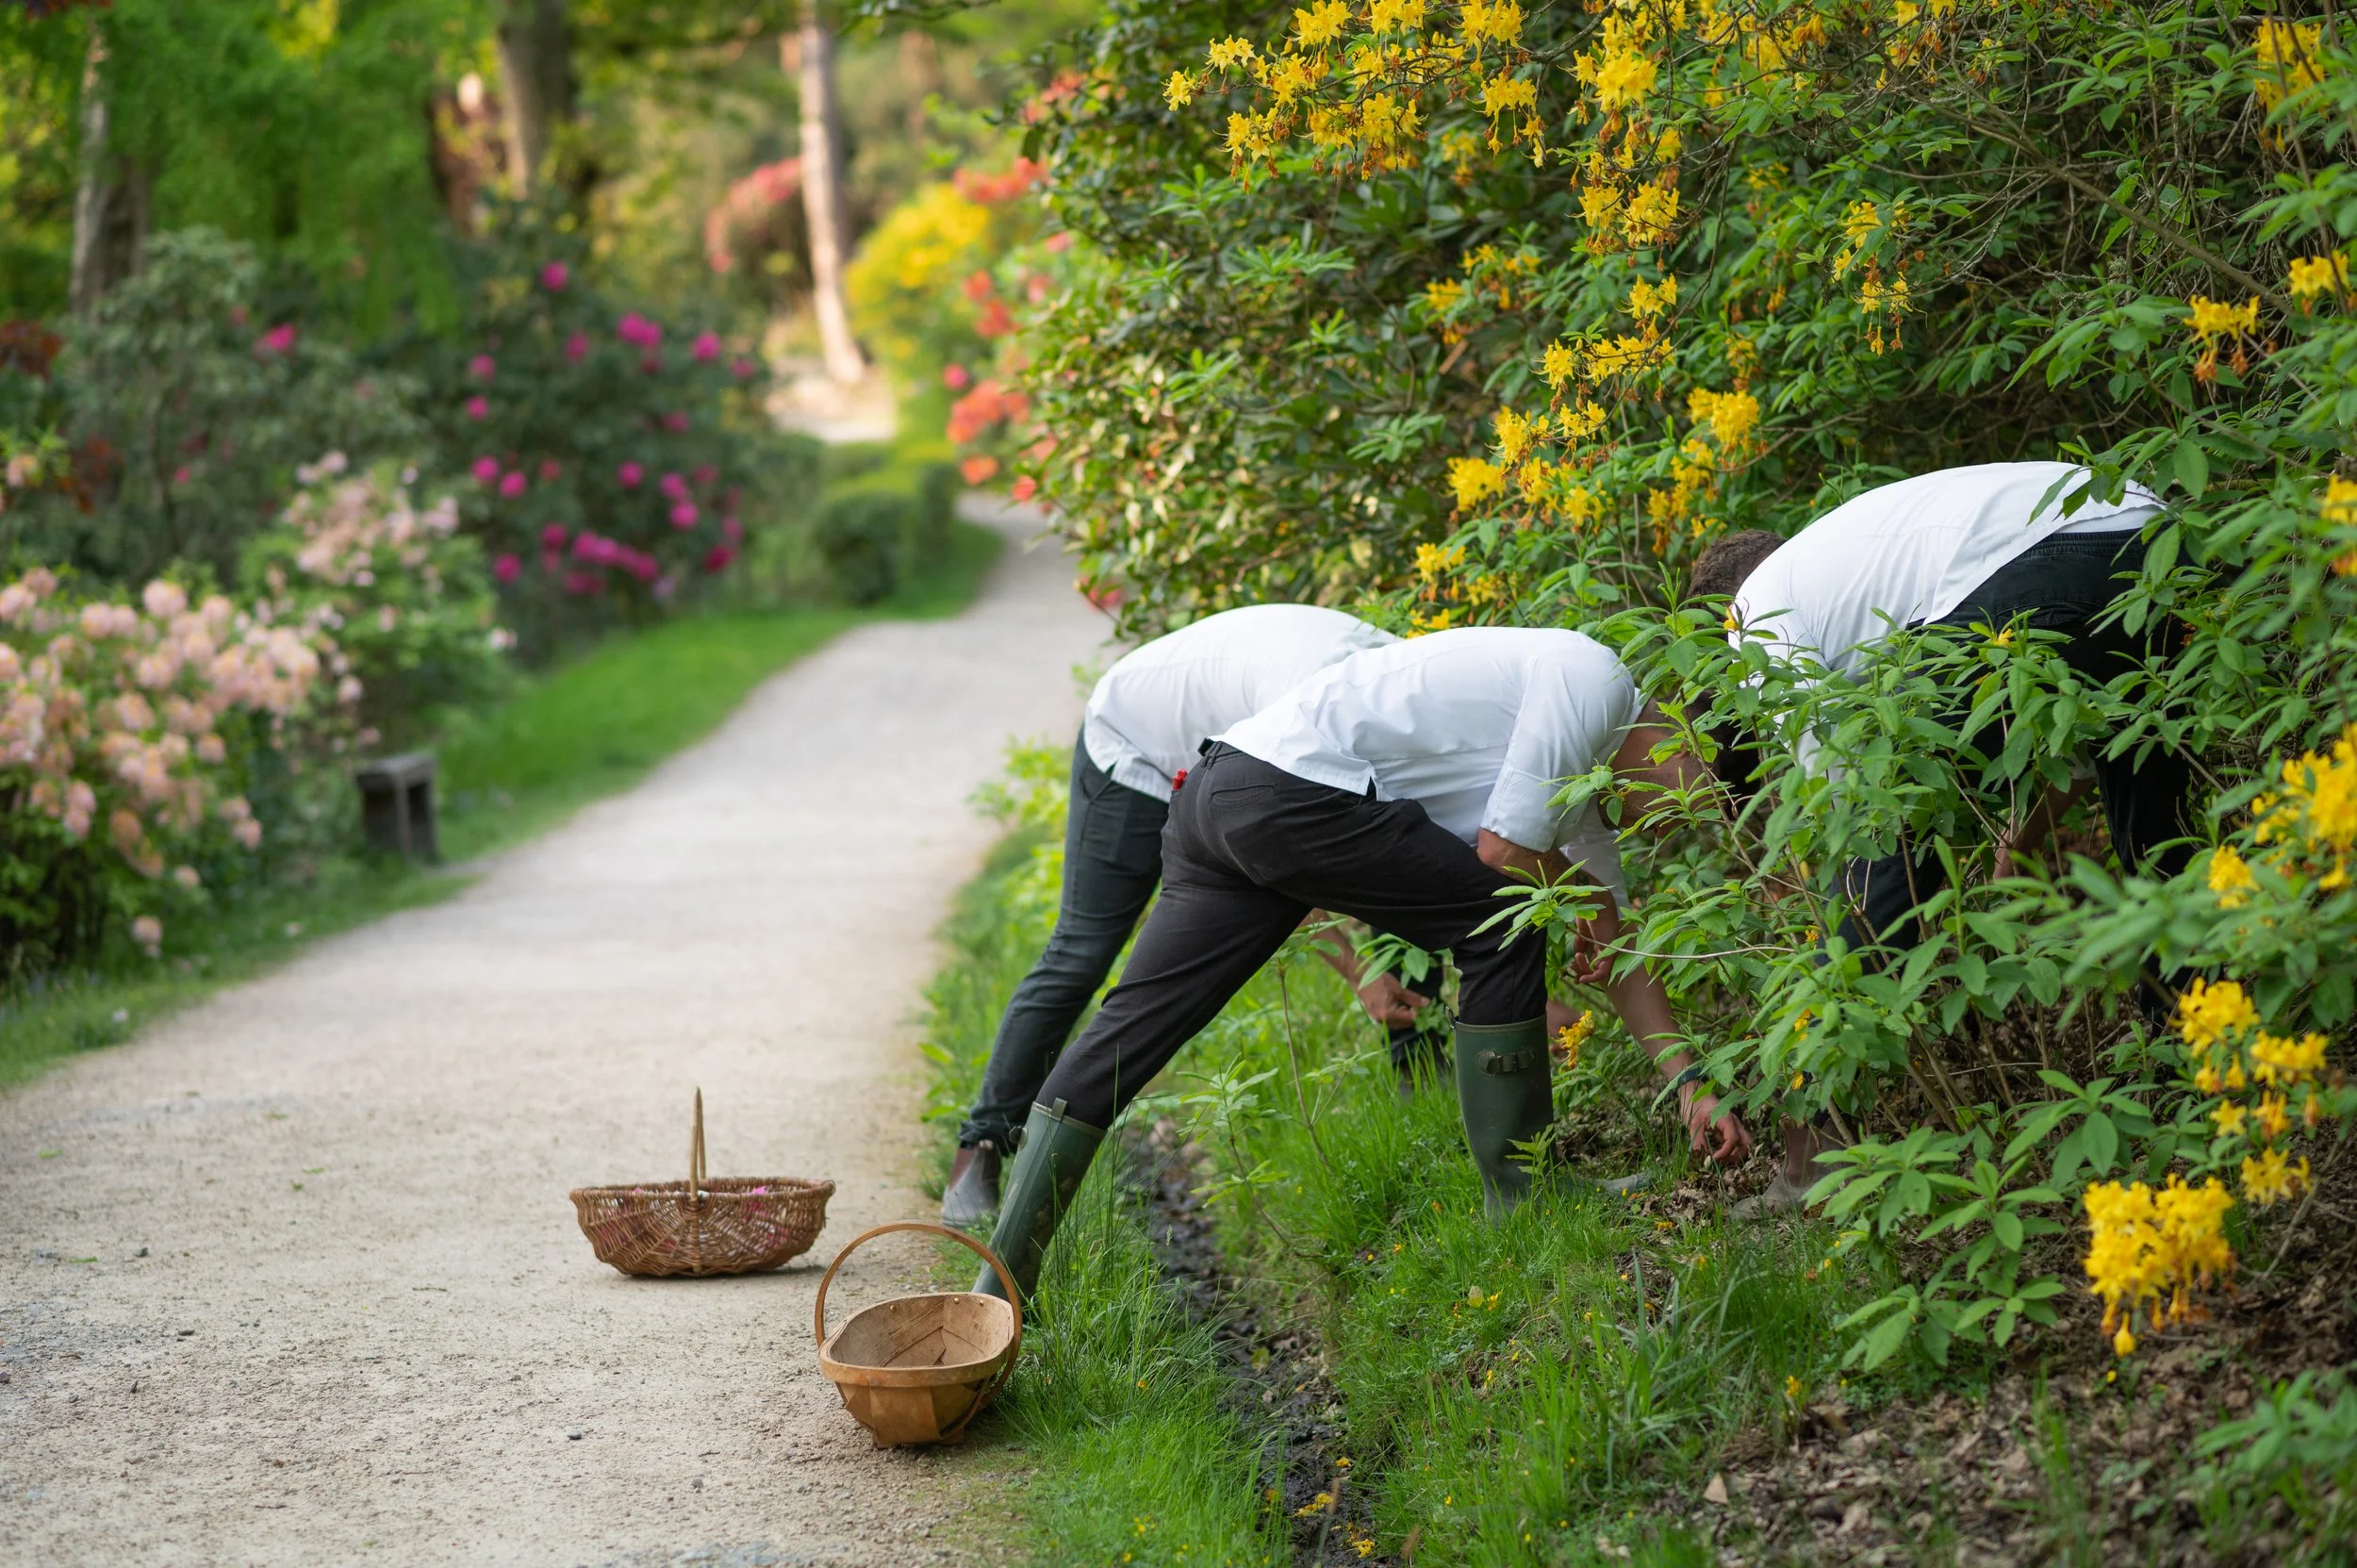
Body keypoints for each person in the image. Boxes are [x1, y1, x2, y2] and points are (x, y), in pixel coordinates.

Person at [973, 625, 1754, 1305]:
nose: (1685, 821)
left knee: (1130, 1030)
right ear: (1683, 736)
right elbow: (1506, 854)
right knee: (1502, 921)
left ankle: (999, 1292)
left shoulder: (1589, 793)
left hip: (1225, 795)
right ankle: (1526, 1198)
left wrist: (1690, 1085)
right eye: (1706, 797)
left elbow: (1615, 950)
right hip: (1283, 793)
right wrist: (1575, 896)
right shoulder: (1592, 680)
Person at [1686, 459, 2193, 1213]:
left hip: (2040, 557)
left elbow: (1848, 797)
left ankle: (1812, 1161)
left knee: (1879, 847)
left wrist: (1838, 902)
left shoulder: (1752, 613)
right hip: (2150, 533)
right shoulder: (1860, 553)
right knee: (2150, 813)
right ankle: (2197, 1058)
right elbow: (2077, 759)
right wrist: (2017, 836)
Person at [940, 602, 1415, 1226]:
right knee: (1083, 948)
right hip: (1134, 744)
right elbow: (1268, 853)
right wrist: (1357, 970)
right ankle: (980, 1150)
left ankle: (1421, 1083)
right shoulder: (1307, 707)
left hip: (1225, 750)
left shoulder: (1405, 689)